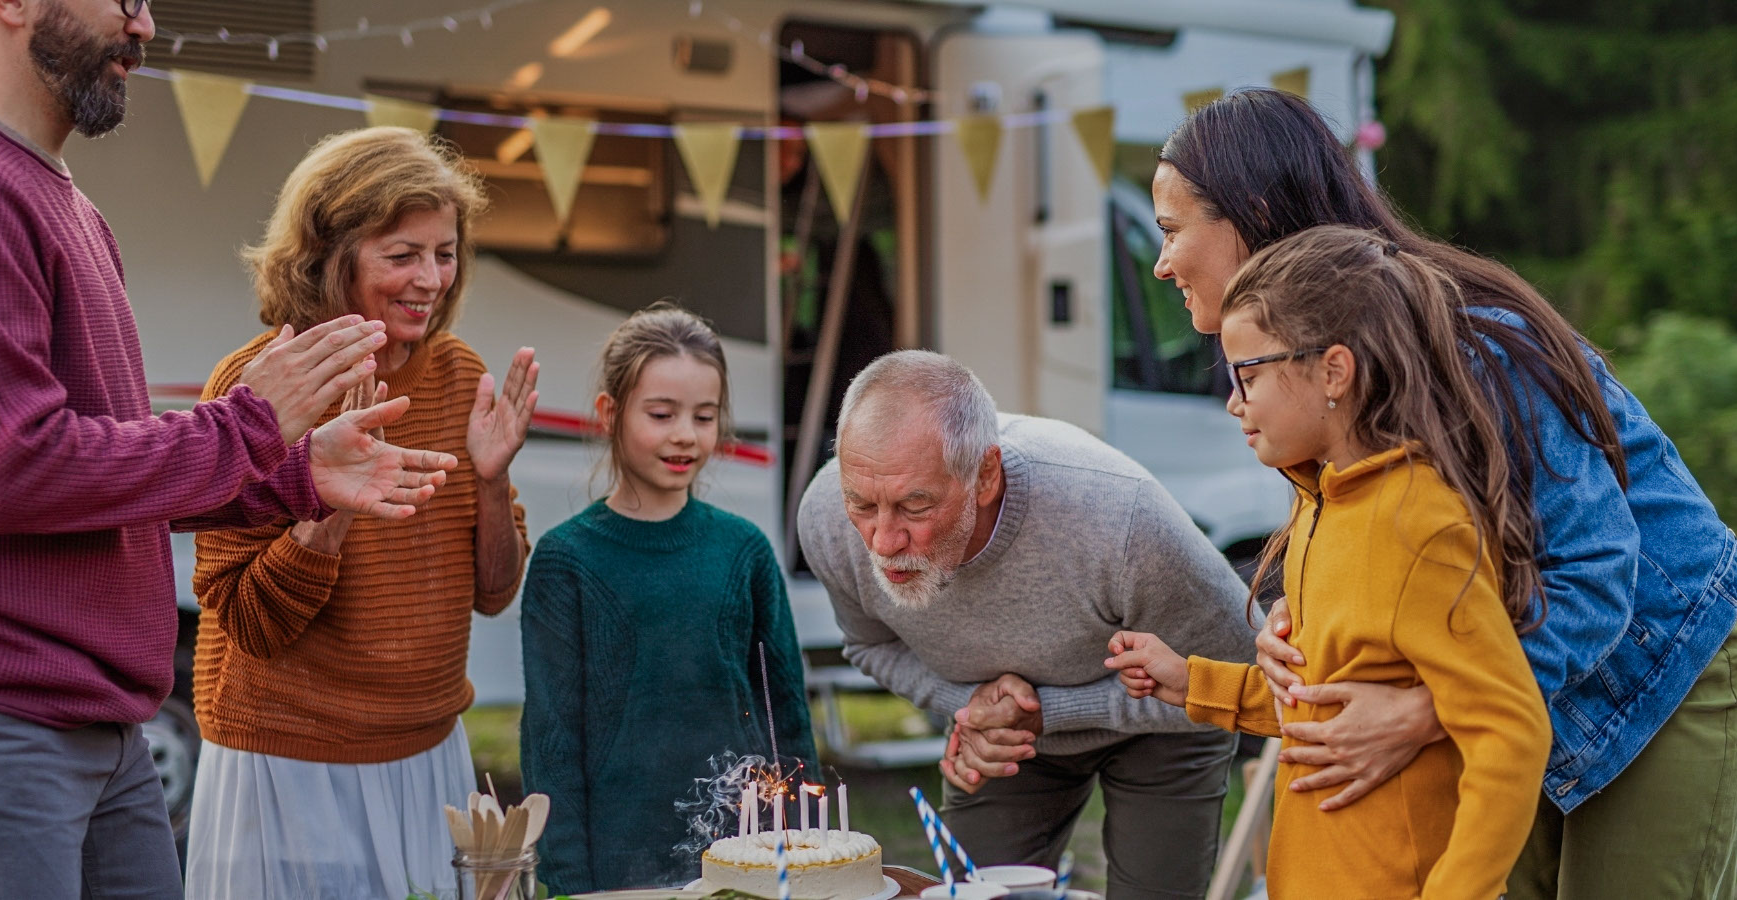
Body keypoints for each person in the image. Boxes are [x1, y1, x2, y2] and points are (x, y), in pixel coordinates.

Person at [1150, 89, 1737, 899]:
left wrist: (1423, 710)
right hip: (1505, 684)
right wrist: (1299, 622)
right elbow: (1382, 534)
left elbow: (1593, 569)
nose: (1162, 264)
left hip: (1662, 657)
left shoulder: (1465, 340)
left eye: (1171, 231)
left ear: (1256, 210)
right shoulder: (1292, 355)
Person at [0, 2, 458, 897]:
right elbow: (8, 471)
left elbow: (106, 476)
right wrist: (252, 426)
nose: (144, 24)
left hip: (107, 729)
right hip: (2, 726)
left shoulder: (68, 205)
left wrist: (292, 478)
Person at [1108, 226, 1551, 899]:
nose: (1234, 401)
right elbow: (1323, 701)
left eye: (1246, 375)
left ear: (1333, 372)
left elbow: (1510, 732)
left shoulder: (1417, 523)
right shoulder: (1319, 505)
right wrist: (1189, 681)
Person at [184, 127, 538, 900]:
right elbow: (250, 622)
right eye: (402, 254)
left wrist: (490, 481)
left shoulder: (456, 372)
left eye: (444, 253)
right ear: (329, 252)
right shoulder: (261, 383)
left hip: (426, 757)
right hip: (288, 768)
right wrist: (332, 507)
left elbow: (493, 593)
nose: (432, 278)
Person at [797, 350, 1256, 900]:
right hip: (1004, 737)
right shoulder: (824, 517)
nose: (883, 540)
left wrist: (1046, 712)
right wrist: (972, 707)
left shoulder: (1122, 520)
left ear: (985, 475)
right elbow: (869, 646)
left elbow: (1235, 671)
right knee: (970, 893)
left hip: (1163, 724)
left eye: (915, 507)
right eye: (863, 504)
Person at [520, 303, 816, 894]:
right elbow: (551, 742)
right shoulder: (565, 560)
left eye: (704, 416)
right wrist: (570, 882)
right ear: (609, 414)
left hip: (746, 853)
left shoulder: (745, 551)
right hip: (619, 862)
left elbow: (786, 711)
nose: (685, 433)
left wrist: (806, 842)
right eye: (661, 413)